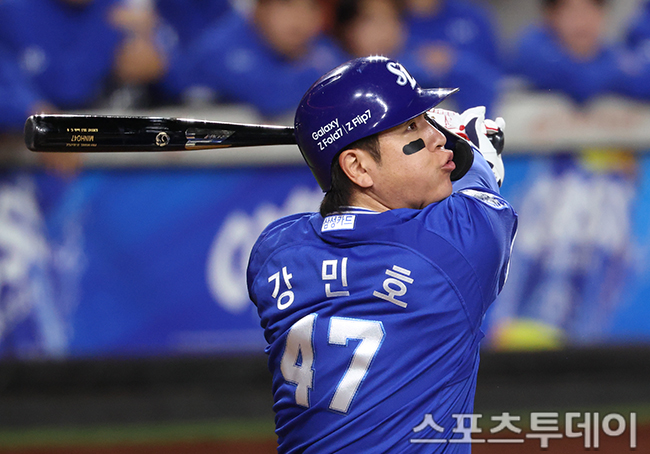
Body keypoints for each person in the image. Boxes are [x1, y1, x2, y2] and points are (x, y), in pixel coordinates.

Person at [246, 56, 518, 451]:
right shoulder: (451, 248)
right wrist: (475, 148)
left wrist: (429, 133)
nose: (438, 138)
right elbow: (478, 184)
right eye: (411, 127)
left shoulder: (274, 251)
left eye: (426, 121)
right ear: (357, 167)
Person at [160, 0, 345, 119]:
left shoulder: (319, 45)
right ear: (259, 9)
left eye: (311, 7)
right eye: (286, 4)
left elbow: (351, 78)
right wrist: (321, 77)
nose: (299, 19)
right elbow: (271, 97)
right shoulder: (222, 44)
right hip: (197, 161)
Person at [0, 0, 168, 111]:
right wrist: (28, 109)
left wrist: (156, 58)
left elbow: (172, 73)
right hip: (28, 141)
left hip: (103, 129)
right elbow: (67, 88)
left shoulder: (120, 11)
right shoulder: (12, 11)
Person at [507, 0, 650, 104]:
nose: (582, 21)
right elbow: (582, 83)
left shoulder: (610, 53)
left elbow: (642, 82)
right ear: (551, 15)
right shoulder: (532, 50)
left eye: (591, 9)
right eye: (572, 11)